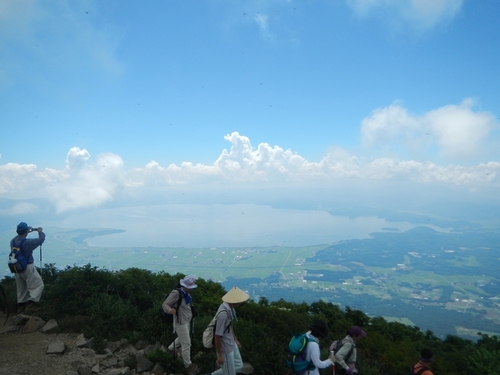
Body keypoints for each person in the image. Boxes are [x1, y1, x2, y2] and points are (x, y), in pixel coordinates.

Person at [205, 286, 250, 375]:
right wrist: (220, 354)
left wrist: (235, 340)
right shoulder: (223, 315)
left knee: (238, 366)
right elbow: (217, 335)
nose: (240, 303)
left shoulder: (228, 308)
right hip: (225, 349)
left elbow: (229, 326)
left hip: (231, 344)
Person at [10, 222, 45, 314]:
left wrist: (26, 231)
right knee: (38, 285)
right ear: (26, 231)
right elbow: (40, 240)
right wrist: (40, 232)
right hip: (28, 267)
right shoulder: (27, 243)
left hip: (16, 268)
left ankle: (21, 307)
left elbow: (20, 237)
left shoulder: (12, 241)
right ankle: (31, 305)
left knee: (21, 289)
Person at [163, 275, 198, 369]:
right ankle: (187, 364)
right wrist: (170, 310)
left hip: (187, 320)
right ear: (184, 285)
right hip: (180, 321)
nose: (191, 289)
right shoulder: (176, 293)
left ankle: (170, 348)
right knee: (186, 343)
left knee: (182, 337)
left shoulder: (186, 294)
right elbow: (165, 304)